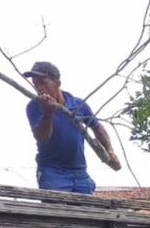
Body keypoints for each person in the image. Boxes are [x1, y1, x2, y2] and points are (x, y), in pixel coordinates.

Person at [24, 61, 120, 194]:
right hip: (52, 171)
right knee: (56, 213)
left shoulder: (78, 105)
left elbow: (97, 128)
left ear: (57, 83)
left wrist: (110, 151)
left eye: (43, 82)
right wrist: (48, 113)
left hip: (79, 172)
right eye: (35, 83)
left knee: (87, 212)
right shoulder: (34, 106)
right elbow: (42, 138)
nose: (39, 88)